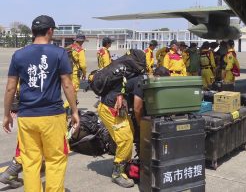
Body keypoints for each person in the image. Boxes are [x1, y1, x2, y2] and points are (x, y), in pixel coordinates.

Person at [2, 15, 79, 191]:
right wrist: (74, 111)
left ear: (32, 31)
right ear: (50, 31)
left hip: (27, 117)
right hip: (52, 116)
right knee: (55, 160)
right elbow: (67, 83)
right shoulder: (59, 53)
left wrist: (6, 115)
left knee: (30, 162)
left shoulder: (19, 55)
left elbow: (10, 88)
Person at [98, 74, 143, 188]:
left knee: (130, 131)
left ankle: (125, 165)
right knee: (125, 139)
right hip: (110, 109)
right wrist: (141, 125)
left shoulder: (140, 77)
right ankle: (117, 174)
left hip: (117, 107)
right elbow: (137, 108)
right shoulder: (142, 81)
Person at [67, 34, 87, 102]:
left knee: (69, 89)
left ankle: (72, 106)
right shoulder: (80, 50)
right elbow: (83, 65)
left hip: (66, 72)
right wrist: (84, 73)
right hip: (74, 73)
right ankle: (67, 106)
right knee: (74, 90)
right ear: (81, 41)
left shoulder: (69, 47)